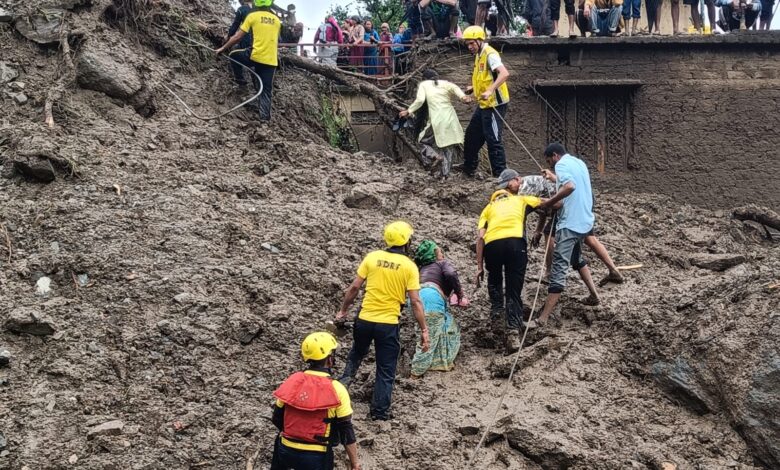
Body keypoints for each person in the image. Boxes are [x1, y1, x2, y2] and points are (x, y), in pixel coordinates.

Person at [336, 221, 430, 421]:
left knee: (356, 355)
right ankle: (379, 413)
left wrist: (343, 311)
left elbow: (354, 288)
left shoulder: (372, 258)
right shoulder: (409, 267)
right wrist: (424, 329)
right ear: (406, 241)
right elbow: (415, 301)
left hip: (365, 318)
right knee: (386, 368)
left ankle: (338, 393)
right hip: (388, 323)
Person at [532, 143, 600, 329]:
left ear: (555, 156)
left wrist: (548, 203)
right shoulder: (579, 163)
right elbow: (572, 184)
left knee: (559, 268)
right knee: (576, 258)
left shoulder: (561, 165)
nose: (552, 166)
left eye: (550, 162)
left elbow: (569, 186)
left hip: (570, 223)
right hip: (584, 221)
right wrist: (555, 178)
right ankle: (594, 295)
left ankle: (542, 319)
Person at [271, 332, 361, 470]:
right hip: (317, 456)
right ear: (329, 359)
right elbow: (346, 431)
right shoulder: (337, 389)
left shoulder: (292, 381)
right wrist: (355, 463)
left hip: (285, 450)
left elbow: (277, 418)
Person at [476, 169, 542, 352]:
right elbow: (551, 204)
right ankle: (513, 332)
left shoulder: (488, 208)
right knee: (513, 289)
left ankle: (497, 316)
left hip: (492, 246)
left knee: (494, 279)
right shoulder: (520, 199)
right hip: (515, 244)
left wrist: (479, 266)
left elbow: (480, 238)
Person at [521, 175, 624, 289]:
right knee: (588, 237)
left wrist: (541, 231)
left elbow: (546, 204)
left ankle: (549, 273)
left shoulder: (523, 191)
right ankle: (614, 270)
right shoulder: (524, 189)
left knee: (548, 233)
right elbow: (542, 209)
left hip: (570, 202)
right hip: (582, 197)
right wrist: (537, 230)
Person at [409, 240, 468, 377]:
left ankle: (438, 363)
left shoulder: (420, 269)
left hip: (416, 299)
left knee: (446, 326)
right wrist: (460, 294)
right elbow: (451, 274)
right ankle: (415, 374)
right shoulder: (442, 263)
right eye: (440, 251)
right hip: (432, 299)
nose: (442, 253)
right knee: (428, 338)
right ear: (435, 254)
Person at [216, 0, 281, 122]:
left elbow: (237, 36)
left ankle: (241, 83)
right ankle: (264, 120)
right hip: (271, 60)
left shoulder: (252, 16)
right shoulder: (276, 20)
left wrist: (223, 48)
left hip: (255, 55)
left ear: (257, 4)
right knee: (266, 90)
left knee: (233, 55)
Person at [399, 69, 470, 179]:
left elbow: (420, 100)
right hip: (451, 119)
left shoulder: (424, 84)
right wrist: (463, 97)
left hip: (437, 120)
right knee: (448, 147)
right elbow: (457, 90)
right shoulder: (446, 83)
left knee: (422, 141)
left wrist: (409, 111)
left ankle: (435, 156)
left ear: (425, 78)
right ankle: (445, 176)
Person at [461, 26, 510, 178]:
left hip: (495, 104)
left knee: (493, 139)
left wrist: (490, 90)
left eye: (472, 44)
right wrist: (473, 89)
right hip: (483, 104)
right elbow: (484, 78)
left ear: (480, 40)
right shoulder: (478, 55)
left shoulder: (490, 54)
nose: (470, 47)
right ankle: (469, 169)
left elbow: (504, 74)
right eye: (467, 44)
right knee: (471, 135)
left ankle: (500, 176)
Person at [226, 0, 254, 88]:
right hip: (260, 40)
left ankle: (240, 80)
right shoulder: (258, 9)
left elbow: (235, 25)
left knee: (235, 55)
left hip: (247, 38)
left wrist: (228, 36)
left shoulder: (242, 10)